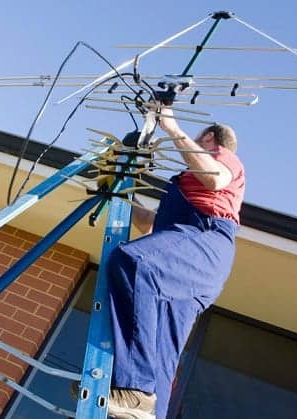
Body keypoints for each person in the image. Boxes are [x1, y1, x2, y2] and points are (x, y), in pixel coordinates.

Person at [105, 107, 246, 418]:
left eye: (199, 139)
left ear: (210, 139)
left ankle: (134, 389)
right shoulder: (189, 187)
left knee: (133, 262)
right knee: (161, 350)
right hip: (189, 255)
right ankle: (145, 410)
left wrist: (170, 125)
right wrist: (115, 195)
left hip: (204, 238)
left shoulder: (224, 159)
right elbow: (150, 225)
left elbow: (215, 177)